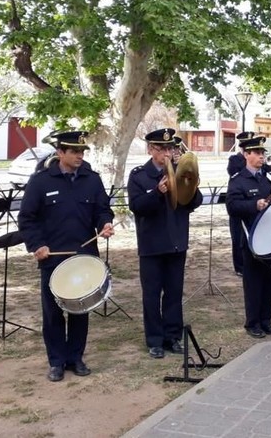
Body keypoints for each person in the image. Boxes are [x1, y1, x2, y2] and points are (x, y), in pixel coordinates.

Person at [18, 130, 115, 382]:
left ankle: (75, 358)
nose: (79, 156)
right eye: (74, 152)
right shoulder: (41, 181)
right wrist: (36, 245)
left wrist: (105, 224)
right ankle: (56, 361)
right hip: (52, 258)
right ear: (60, 152)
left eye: (82, 152)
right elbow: (27, 218)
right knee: (52, 313)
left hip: (84, 256)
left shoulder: (92, 180)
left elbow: (102, 210)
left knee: (80, 311)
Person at [128, 128, 202, 359]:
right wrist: (158, 193)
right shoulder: (139, 175)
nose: (168, 153)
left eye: (171, 148)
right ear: (151, 149)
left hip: (177, 242)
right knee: (151, 295)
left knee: (173, 294)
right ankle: (154, 340)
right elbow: (137, 206)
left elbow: (193, 202)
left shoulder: (181, 171)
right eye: (162, 149)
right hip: (152, 245)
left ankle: (173, 337)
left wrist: (190, 181)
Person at [226, 136, 271, 338]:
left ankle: (266, 320)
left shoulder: (269, 177)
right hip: (252, 240)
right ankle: (252, 323)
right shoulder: (238, 180)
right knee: (254, 283)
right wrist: (253, 206)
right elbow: (232, 207)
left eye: (262, 153)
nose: (261, 156)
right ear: (246, 154)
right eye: (257, 153)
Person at [226, 131, 257, 276]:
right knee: (237, 236)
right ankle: (239, 267)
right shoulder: (234, 160)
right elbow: (235, 173)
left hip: (253, 204)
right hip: (240, 202)